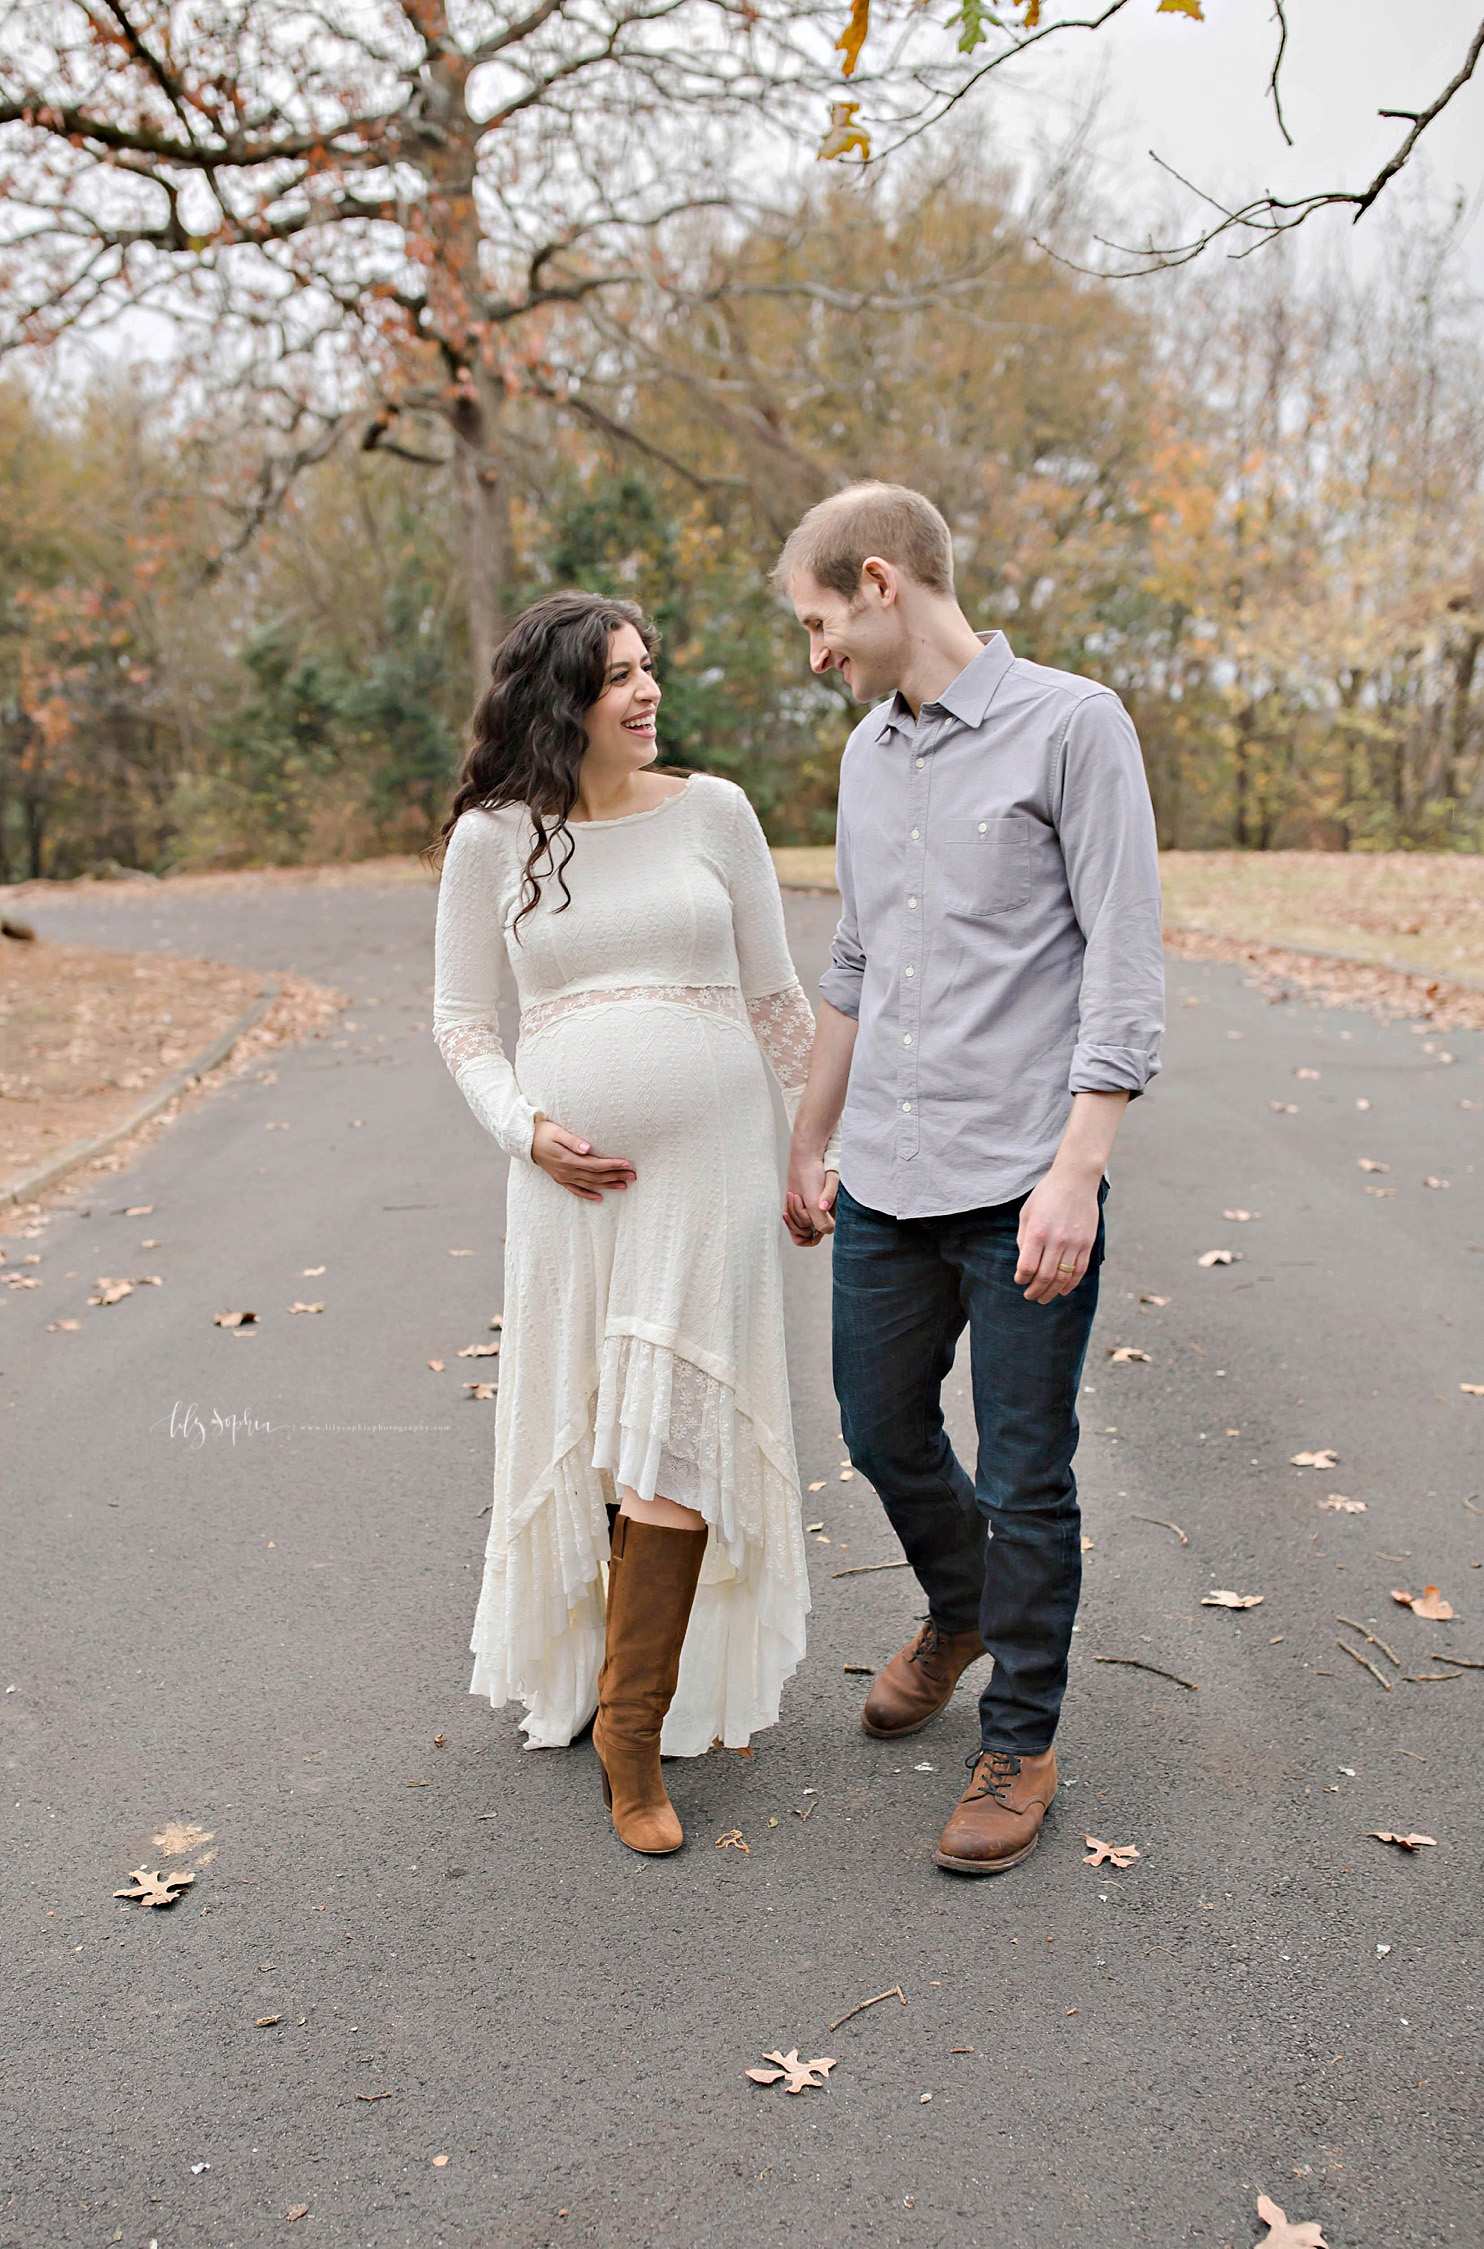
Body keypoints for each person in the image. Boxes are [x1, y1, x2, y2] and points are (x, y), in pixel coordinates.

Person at [779, 483, 1164, 1876]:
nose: (816, 656)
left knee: (1026, 1470)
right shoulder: (868, 760)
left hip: (1021, 1181)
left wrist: (1079, 1170)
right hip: (886, 1169)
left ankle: (1023, 1735)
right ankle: (961, 1605)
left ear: (881, 583)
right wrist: (807, 1138)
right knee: (879, 1427)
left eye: (822, 624)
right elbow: (857, 962)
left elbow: (1122, 963)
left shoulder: (1075, 726)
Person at [430, 591, 839, 1857]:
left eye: (650, 666)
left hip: (712, 1167)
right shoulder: (493, 840)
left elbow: (776, 999)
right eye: (619, 676)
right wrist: (524, 1129)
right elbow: (459, 1020)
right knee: (598, 1430)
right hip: (570, 1185)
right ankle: (606, 1678)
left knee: (678, 1432)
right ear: (563, 703)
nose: (648, 690)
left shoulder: (717, 813)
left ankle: (632, 1727)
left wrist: (816, 1145)